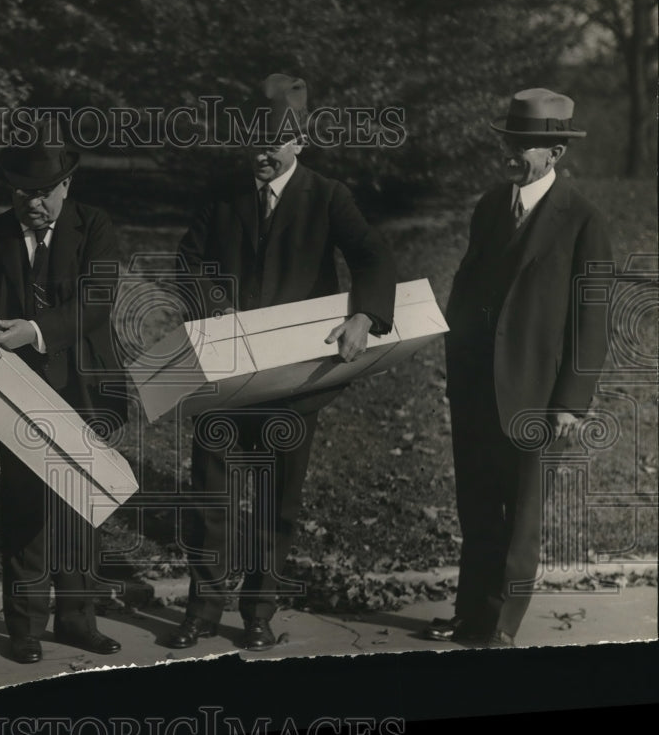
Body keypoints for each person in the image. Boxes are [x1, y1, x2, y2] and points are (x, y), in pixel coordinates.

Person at [168, 74, 397, 651]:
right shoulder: (223, 195)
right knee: (211, 499)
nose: (261, 154)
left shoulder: (328, 196)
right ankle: (201, 609)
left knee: (277, 503)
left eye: (274, 143)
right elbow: (188, 264)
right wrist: (216, 310)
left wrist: (366, 316)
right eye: (253, 142)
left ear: (301, 143)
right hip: (225, 376)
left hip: (296, 382)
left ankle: (258, 612)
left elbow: (372, 255)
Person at [426, 88, 612, 647]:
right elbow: (467, 289)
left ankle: (501, 626)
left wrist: (569, 402)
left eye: (526, 144)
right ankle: (469, 615)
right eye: (510, 139)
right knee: (477, 506)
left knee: (521, 516)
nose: (512, 151)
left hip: (536, 393)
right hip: (477, 386)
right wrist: (454, 363)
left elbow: (592, 319)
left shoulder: (582, 220)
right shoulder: (489, 206)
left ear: (555, 152)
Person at [0, 119, 127, 664]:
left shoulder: (96, 226)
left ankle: (79, 620)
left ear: (66, 185)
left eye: (42, 193)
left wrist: (33, 330)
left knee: (82, 507)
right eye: (21, 193)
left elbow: (97, 302)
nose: (32, 203)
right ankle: (24, 627)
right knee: (27, 510)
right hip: (18, 392)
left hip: (87, 389)